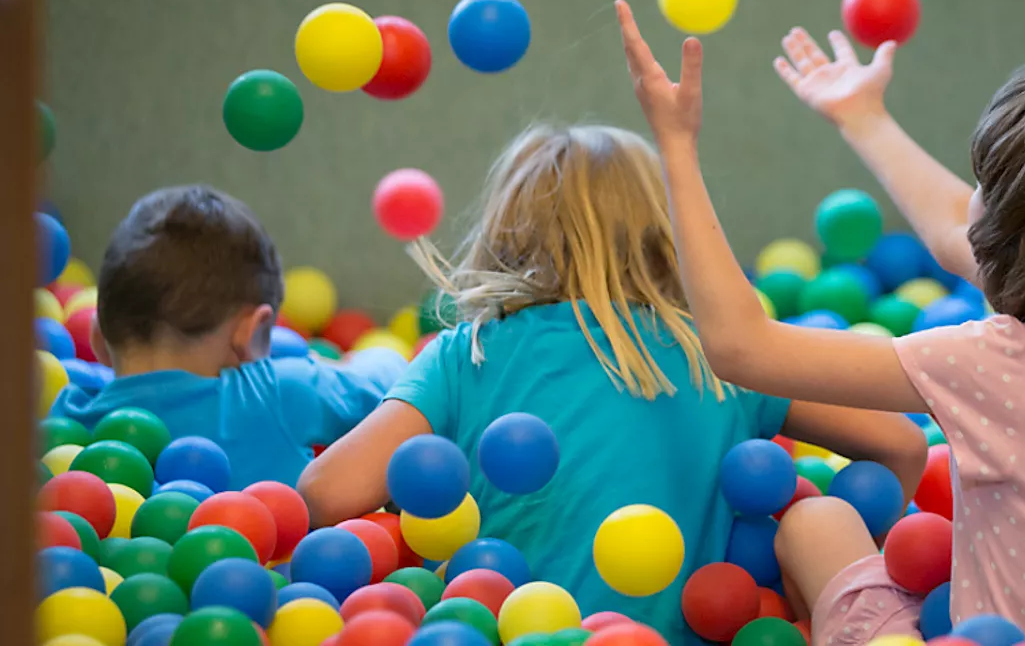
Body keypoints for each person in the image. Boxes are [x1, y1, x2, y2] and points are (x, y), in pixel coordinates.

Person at [614, 0, 1025, 646]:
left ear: (1022, 244)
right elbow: (953, 231)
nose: (971, 203)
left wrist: (676, 147)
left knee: (815, 523)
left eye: (983, 187)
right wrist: (862, 116)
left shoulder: (995, 364)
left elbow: (741, 348)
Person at [297, 124, 926, 645]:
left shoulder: (470, 354)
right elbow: (901, 444)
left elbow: (325, 494)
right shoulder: (719, 352)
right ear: (667, 232)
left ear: (507, 233)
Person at [50, 185, 405, 489]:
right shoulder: (282, 391)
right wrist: (347, 362)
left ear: (98, 339)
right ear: (254, 334)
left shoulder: (67, 419)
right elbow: (395, 384)